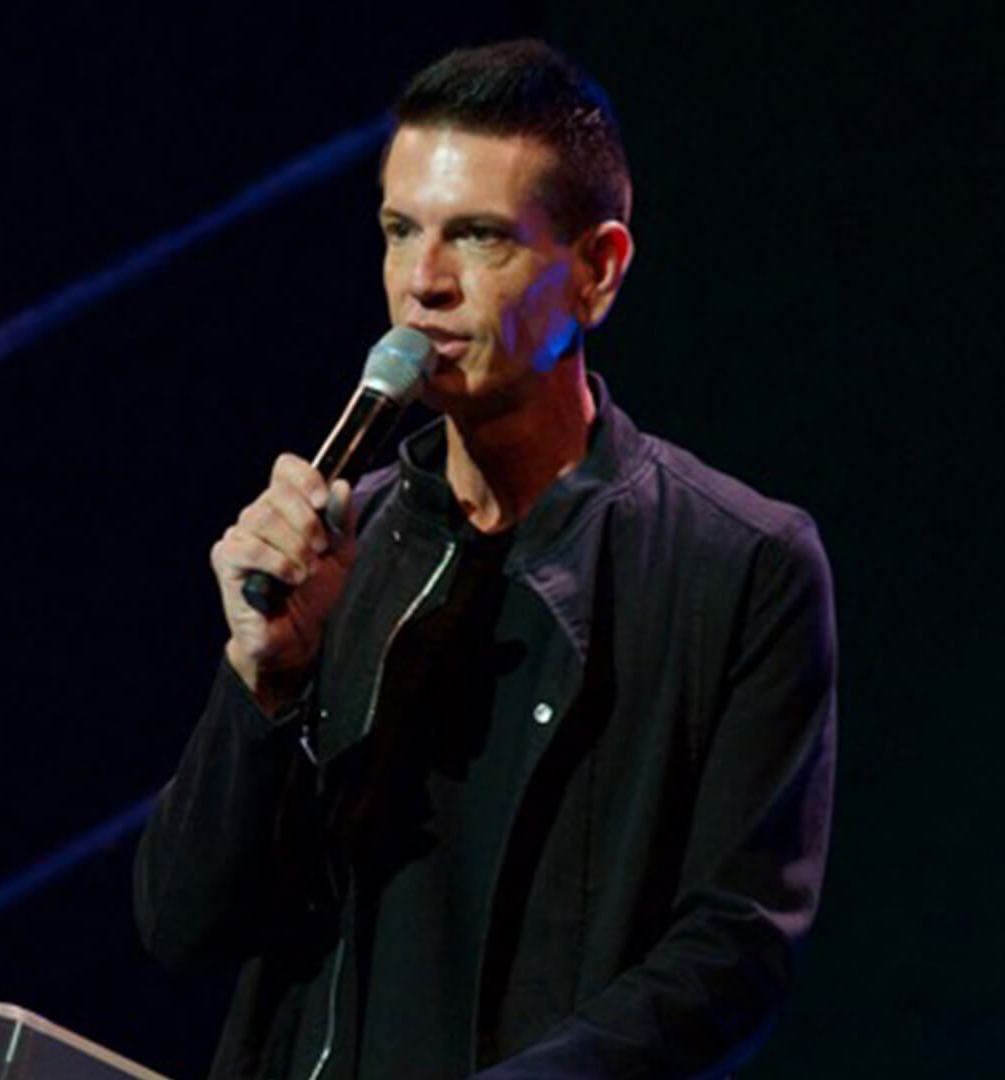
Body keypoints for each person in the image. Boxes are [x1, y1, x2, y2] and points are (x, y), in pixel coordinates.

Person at [134, 39, 837, 1080]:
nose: (423, 284)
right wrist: (263, 683)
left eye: (477, 237)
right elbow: (181, 926)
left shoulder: (736, 565)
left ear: (597, 271)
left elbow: (732, 950)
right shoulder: (341, 548)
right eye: (400, 231)